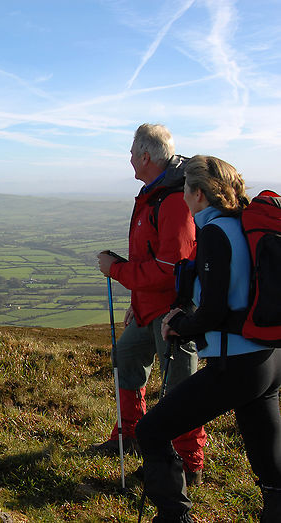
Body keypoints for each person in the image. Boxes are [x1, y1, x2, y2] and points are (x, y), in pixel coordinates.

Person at [136, 155, 281, 522]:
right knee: (269, 463)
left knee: (152, 430)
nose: (181, 196)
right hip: (269, 361)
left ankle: (174, 516)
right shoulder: (242, 227)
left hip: (236, 364)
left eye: (184, 188)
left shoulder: (215, 233)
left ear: (198, 193)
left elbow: (214, 312)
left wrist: (178, 326)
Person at [94, 124, 206, 485]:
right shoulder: (153, 195)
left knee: (180, 386)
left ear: (146, 156)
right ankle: (129, 436)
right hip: (148, 309)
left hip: (175, 312)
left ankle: (188, 463)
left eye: (131, 152)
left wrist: (117, 271)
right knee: (125, 355)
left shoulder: (173, 200)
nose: (128, 158)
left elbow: (170, 270)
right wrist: (136, 298)